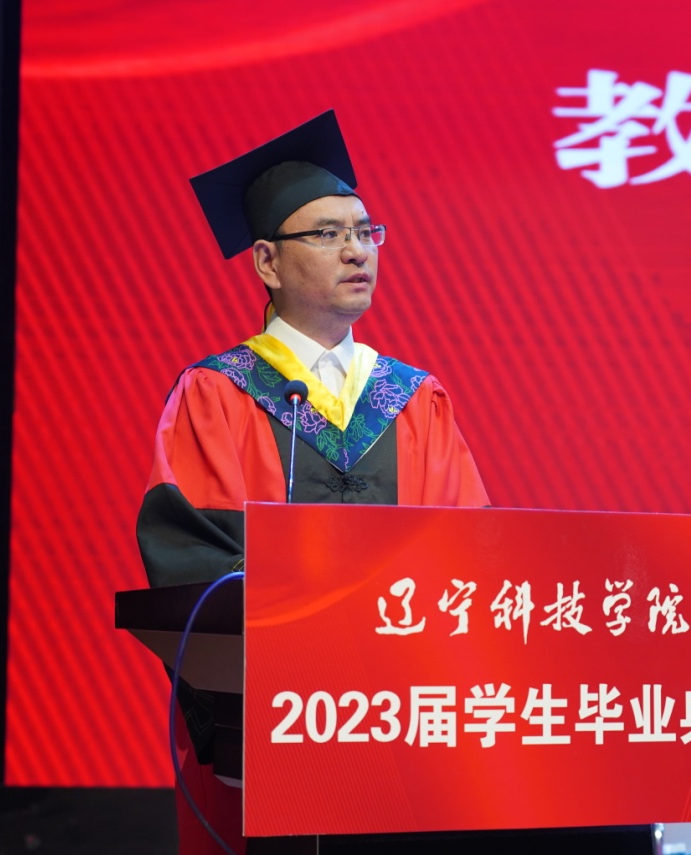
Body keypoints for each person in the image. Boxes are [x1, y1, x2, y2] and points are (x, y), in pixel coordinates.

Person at [134, 111, 488, 853]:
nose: (357, 250)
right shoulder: (217, 393)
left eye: (366, 232)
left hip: (403, 727)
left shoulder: (414, 399)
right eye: (328, 234)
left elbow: (469, 554)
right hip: (268, 730)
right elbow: (195, 560)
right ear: (267, 262)